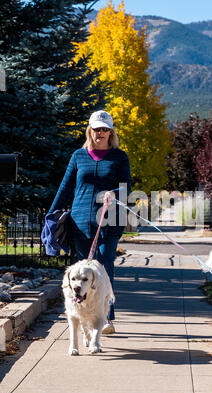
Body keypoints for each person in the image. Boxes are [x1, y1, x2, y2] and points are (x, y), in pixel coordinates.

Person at [49, 110, 131, 334]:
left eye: (105, 129)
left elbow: (127, 188)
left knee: (104, 267)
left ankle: (106, 318)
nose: (101, 133)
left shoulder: (119, 157)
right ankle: (84, 317)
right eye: (97, 129)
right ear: (90, 130)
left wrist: (114, 193)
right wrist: (51, 215)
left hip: (110, 219)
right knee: (82, 271)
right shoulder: (78, 156)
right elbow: (66, 187)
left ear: (111, 132)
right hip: (81, 220)